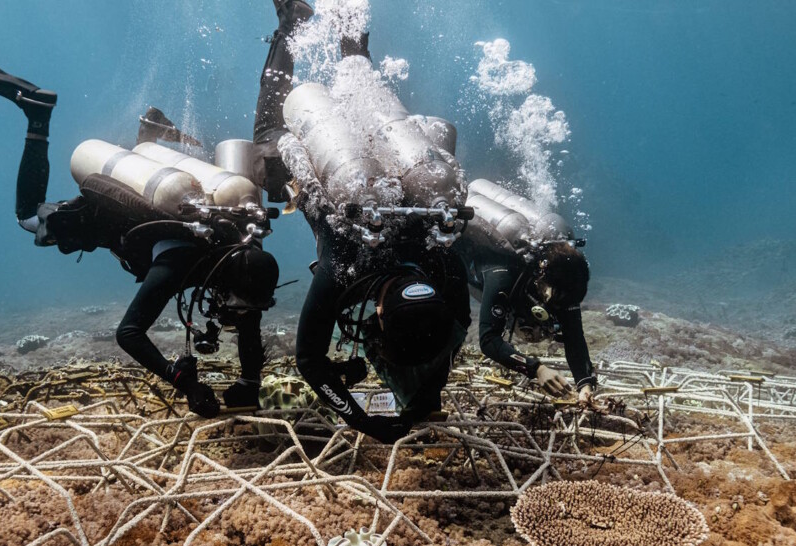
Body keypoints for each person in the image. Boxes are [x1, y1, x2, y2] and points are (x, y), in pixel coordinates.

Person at [0, 30, 280, 418]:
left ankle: (148, 137)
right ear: (232, 281)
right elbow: (128, 334)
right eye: (235, 305)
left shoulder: (244, 243)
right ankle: (37, 116)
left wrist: (248, 387)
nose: (233, 313)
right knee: (27, 218)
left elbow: (250, 319)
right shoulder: (179, 264)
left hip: (171, 197)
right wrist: (182, 381)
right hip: (107, 214)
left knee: (244, 313)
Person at [251, 1, 470, 444]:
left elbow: (457, 330)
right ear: (382, 314)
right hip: (332, 163)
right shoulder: (344, 269)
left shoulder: (444, 260)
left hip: (368, 167)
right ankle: (290, 24)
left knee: (360, 89)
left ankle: (352, 25)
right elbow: (310, 362)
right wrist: (364, 421)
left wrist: (416, 401)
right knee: (266, 133)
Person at [455, 191, 598, 405]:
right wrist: (536, 369)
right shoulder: (504, 273)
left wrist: (585, 384)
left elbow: (574, 337)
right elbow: (489, 339)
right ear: (541, 281)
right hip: (463, 262)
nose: (559, 308)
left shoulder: (567, 283)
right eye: (555, 302)